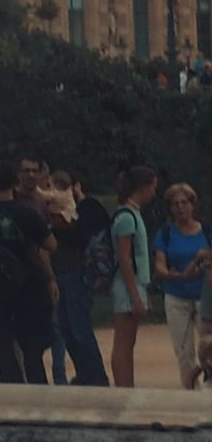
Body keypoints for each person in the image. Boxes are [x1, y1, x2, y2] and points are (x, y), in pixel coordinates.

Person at [0, 161, 57, 383]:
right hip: (29, 284)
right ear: (14, 183)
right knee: (32, 347)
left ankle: (11, 387)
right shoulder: (28, 213)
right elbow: (51, 245)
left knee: (2, 344)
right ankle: (37, 390)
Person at [50, 165, 112, 387]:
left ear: (75, 187)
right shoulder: (59, 212)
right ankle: (85, 371)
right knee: (66, 327)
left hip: (79, 273)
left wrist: (61, 221)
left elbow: (82, 236)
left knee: (79, 327)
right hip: (63, 272)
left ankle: (96, 374)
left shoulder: (89, 207)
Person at [154, 180, 208, 389]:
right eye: (175, 204)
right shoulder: (166, 233)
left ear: (192, 205)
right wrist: (171, 275)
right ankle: (190, 391)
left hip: (204, 296)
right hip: (177, 295)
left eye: (184, 203)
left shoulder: (207, 232)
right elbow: (160, 264)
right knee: (184, 351)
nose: (180, 208)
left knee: (209, 347)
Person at [109, 163, 159, 385]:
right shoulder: (127, 217)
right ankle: (123, 385)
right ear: (143, 188)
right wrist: (134, 294)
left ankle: (128, 384)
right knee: (123, 341)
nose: (153, 193)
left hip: (135, 284)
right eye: (152, 188)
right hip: (126, 285)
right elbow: (125, 258)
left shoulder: (134, 214)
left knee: (129, 341)